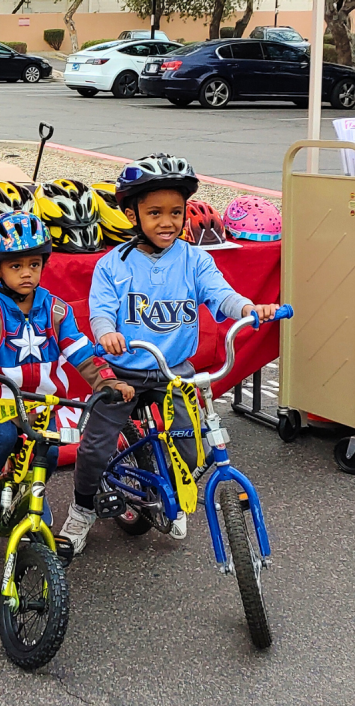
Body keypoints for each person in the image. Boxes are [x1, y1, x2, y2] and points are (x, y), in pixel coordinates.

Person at [59, 154, 281, 555]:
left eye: (176, 212)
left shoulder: (195, 259)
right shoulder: (113, 264)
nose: (168, 222)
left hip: (174, 371)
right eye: (155, 212)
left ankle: (173, 494)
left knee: (190, 448)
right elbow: (101, 311)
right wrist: (107, 334)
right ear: (132, 215)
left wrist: (249, 309)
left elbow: (220, 294)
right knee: (94, 446)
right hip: (124, 372)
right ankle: (82, 509)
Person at [0, 212, 134, 515]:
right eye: (16, 266)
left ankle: (33, 490)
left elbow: (81, 351)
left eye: (34, 265)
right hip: (3, 400)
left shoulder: (55, 309)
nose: (27, 273)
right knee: (4, 436)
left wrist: (108, 381)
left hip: (41, 404)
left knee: (49, 452)